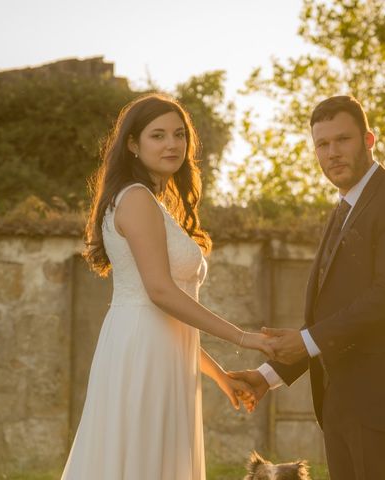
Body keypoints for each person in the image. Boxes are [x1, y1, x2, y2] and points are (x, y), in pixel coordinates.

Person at [231, 95, 385, 480]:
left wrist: (306, 340)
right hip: (340, 405)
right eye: (322, 144)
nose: (332, 153)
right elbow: (332, 317)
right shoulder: (343, 209)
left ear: (369, 140)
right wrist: (267, 375)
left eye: (342, 140)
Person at [61, 93, 272, 480]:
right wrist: (243, 338)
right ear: (132, 145)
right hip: (143, 351)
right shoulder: (137, 199)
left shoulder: (149, 202)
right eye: (157, 135)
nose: (172, 144)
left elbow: (168, 315)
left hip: (156, 346)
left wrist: (219, 374)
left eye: (179, 134)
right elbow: (159, 292)